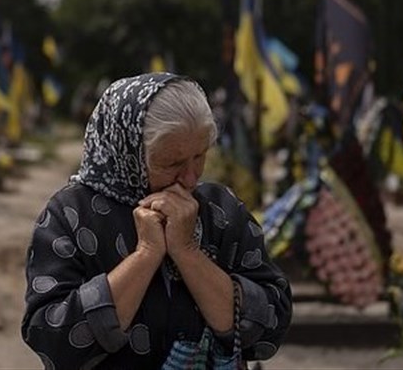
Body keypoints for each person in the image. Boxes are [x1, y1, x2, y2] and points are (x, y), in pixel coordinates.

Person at [21, 73, 292, 369]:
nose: (190, 178)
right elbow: (52, 340)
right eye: (172, 163)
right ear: (128, 153)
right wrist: (147, 254)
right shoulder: (71, 215)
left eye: (199, 156)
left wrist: (187, 252)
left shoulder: (221, 211)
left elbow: (270, 327)